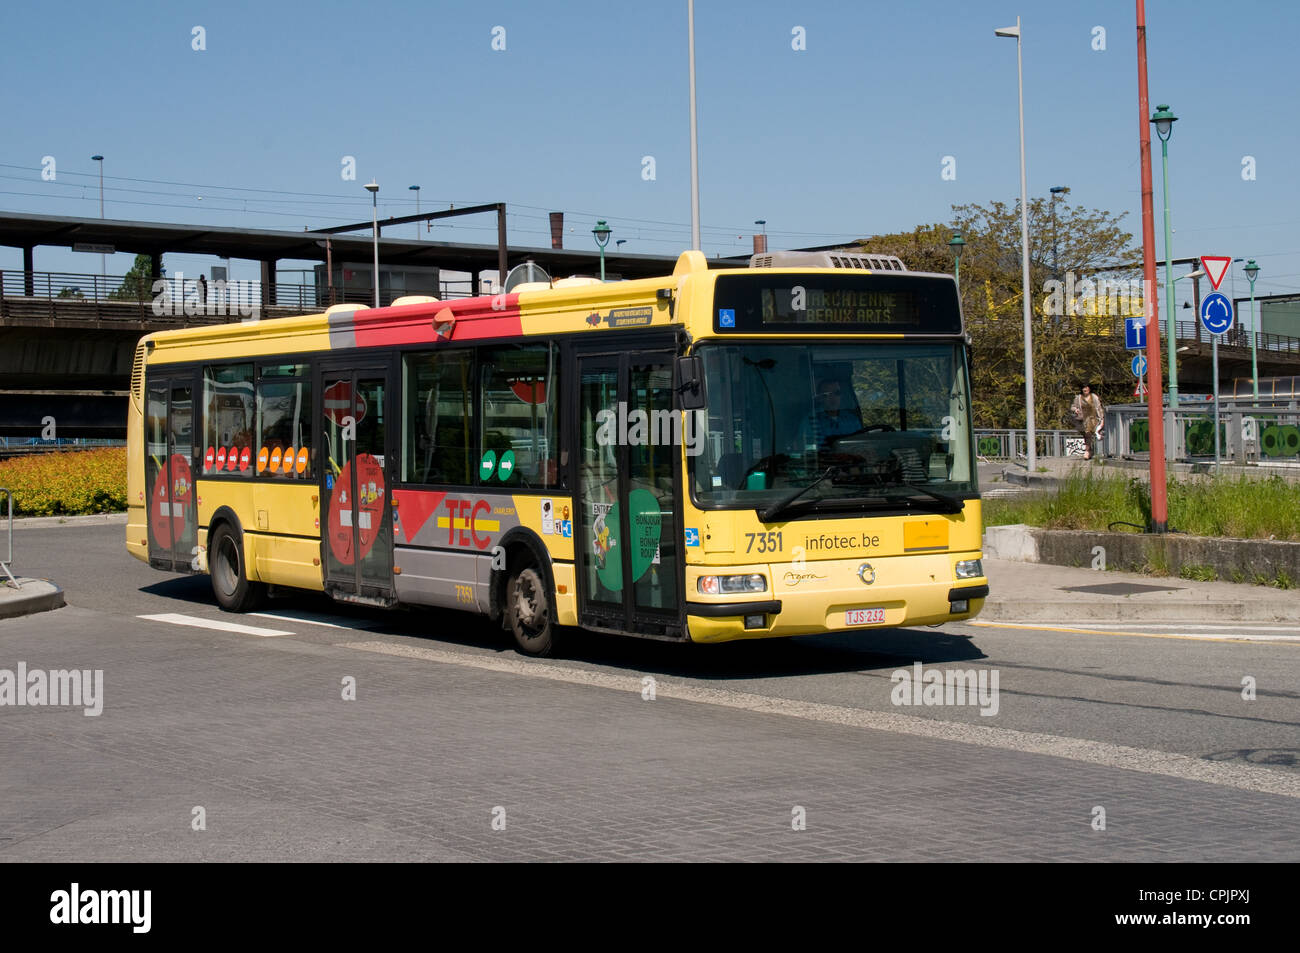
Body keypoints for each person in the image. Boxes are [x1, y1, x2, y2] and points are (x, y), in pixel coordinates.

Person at [812, 378, 863, 447]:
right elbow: (807, 450)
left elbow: (862, 444)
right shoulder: (811, 420)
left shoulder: (852, 420)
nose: (833, 397)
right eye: (828, 394)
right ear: (820, 398)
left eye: (837, 393)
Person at [1070, 383, 1104, 460]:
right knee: (1086, 435)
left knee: (1088, 434)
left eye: (1086, 388)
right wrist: (1076, 409)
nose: (1085, 390)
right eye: (1083, 388)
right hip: (1082, 419)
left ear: (1089, 389)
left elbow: (1099, 408)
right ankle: (1090, 451)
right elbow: (1072, 407)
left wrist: (1102, 418)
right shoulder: (1078, 398)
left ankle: (1087, 451)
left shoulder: (1094, 397)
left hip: (1092, 419)